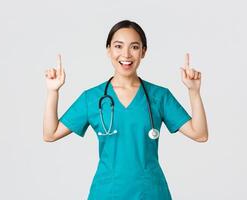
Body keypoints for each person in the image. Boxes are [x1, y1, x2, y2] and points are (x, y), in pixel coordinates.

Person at [42, 20, 209, 199]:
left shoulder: (159, 96)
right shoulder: (92, 98)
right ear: (108, 50)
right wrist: (53, 91)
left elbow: (200, 134)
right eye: (118, 46)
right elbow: (50, 134)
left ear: (143, 51)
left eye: (134, 47)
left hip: (151, 193)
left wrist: (193, 91)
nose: (126, 54)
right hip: (107, 193)